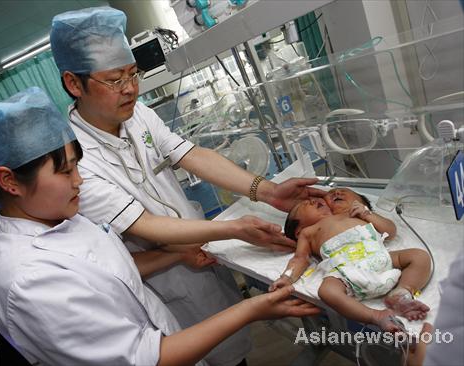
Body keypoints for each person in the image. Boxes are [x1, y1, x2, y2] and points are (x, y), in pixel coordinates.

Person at [0, 87, 321, 365]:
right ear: (9, 182)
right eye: (65, 170)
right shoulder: (28, 282)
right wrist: (253, 309)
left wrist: (172, 256)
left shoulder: (63, 220)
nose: (79, 180)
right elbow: (144, 359)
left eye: (77, 165)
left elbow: (107, 266)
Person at [49, 6, 326, 365]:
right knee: (204, 352)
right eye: (115, 80)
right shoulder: (73, 160)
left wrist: (268, 190)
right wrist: (234, 229)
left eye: (134, 74)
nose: (131, 89)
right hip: (164, 278)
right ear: (74, 83)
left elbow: (191, 154)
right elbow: (144, 225)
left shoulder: (137, 115)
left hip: (198, 255)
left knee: (235, 345)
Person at [270, 190, 432, 332]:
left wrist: (367, 213)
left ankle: (401, 293)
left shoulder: (354, 215)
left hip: (378, 257)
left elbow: (390, 230)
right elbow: (300, 259)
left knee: (420, 257)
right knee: (327, 291)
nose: (313, 200)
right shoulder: (308, 232)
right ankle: (375, 315)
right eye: (304, 205)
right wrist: (287, 277)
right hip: (344, 269)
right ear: (297, 231)